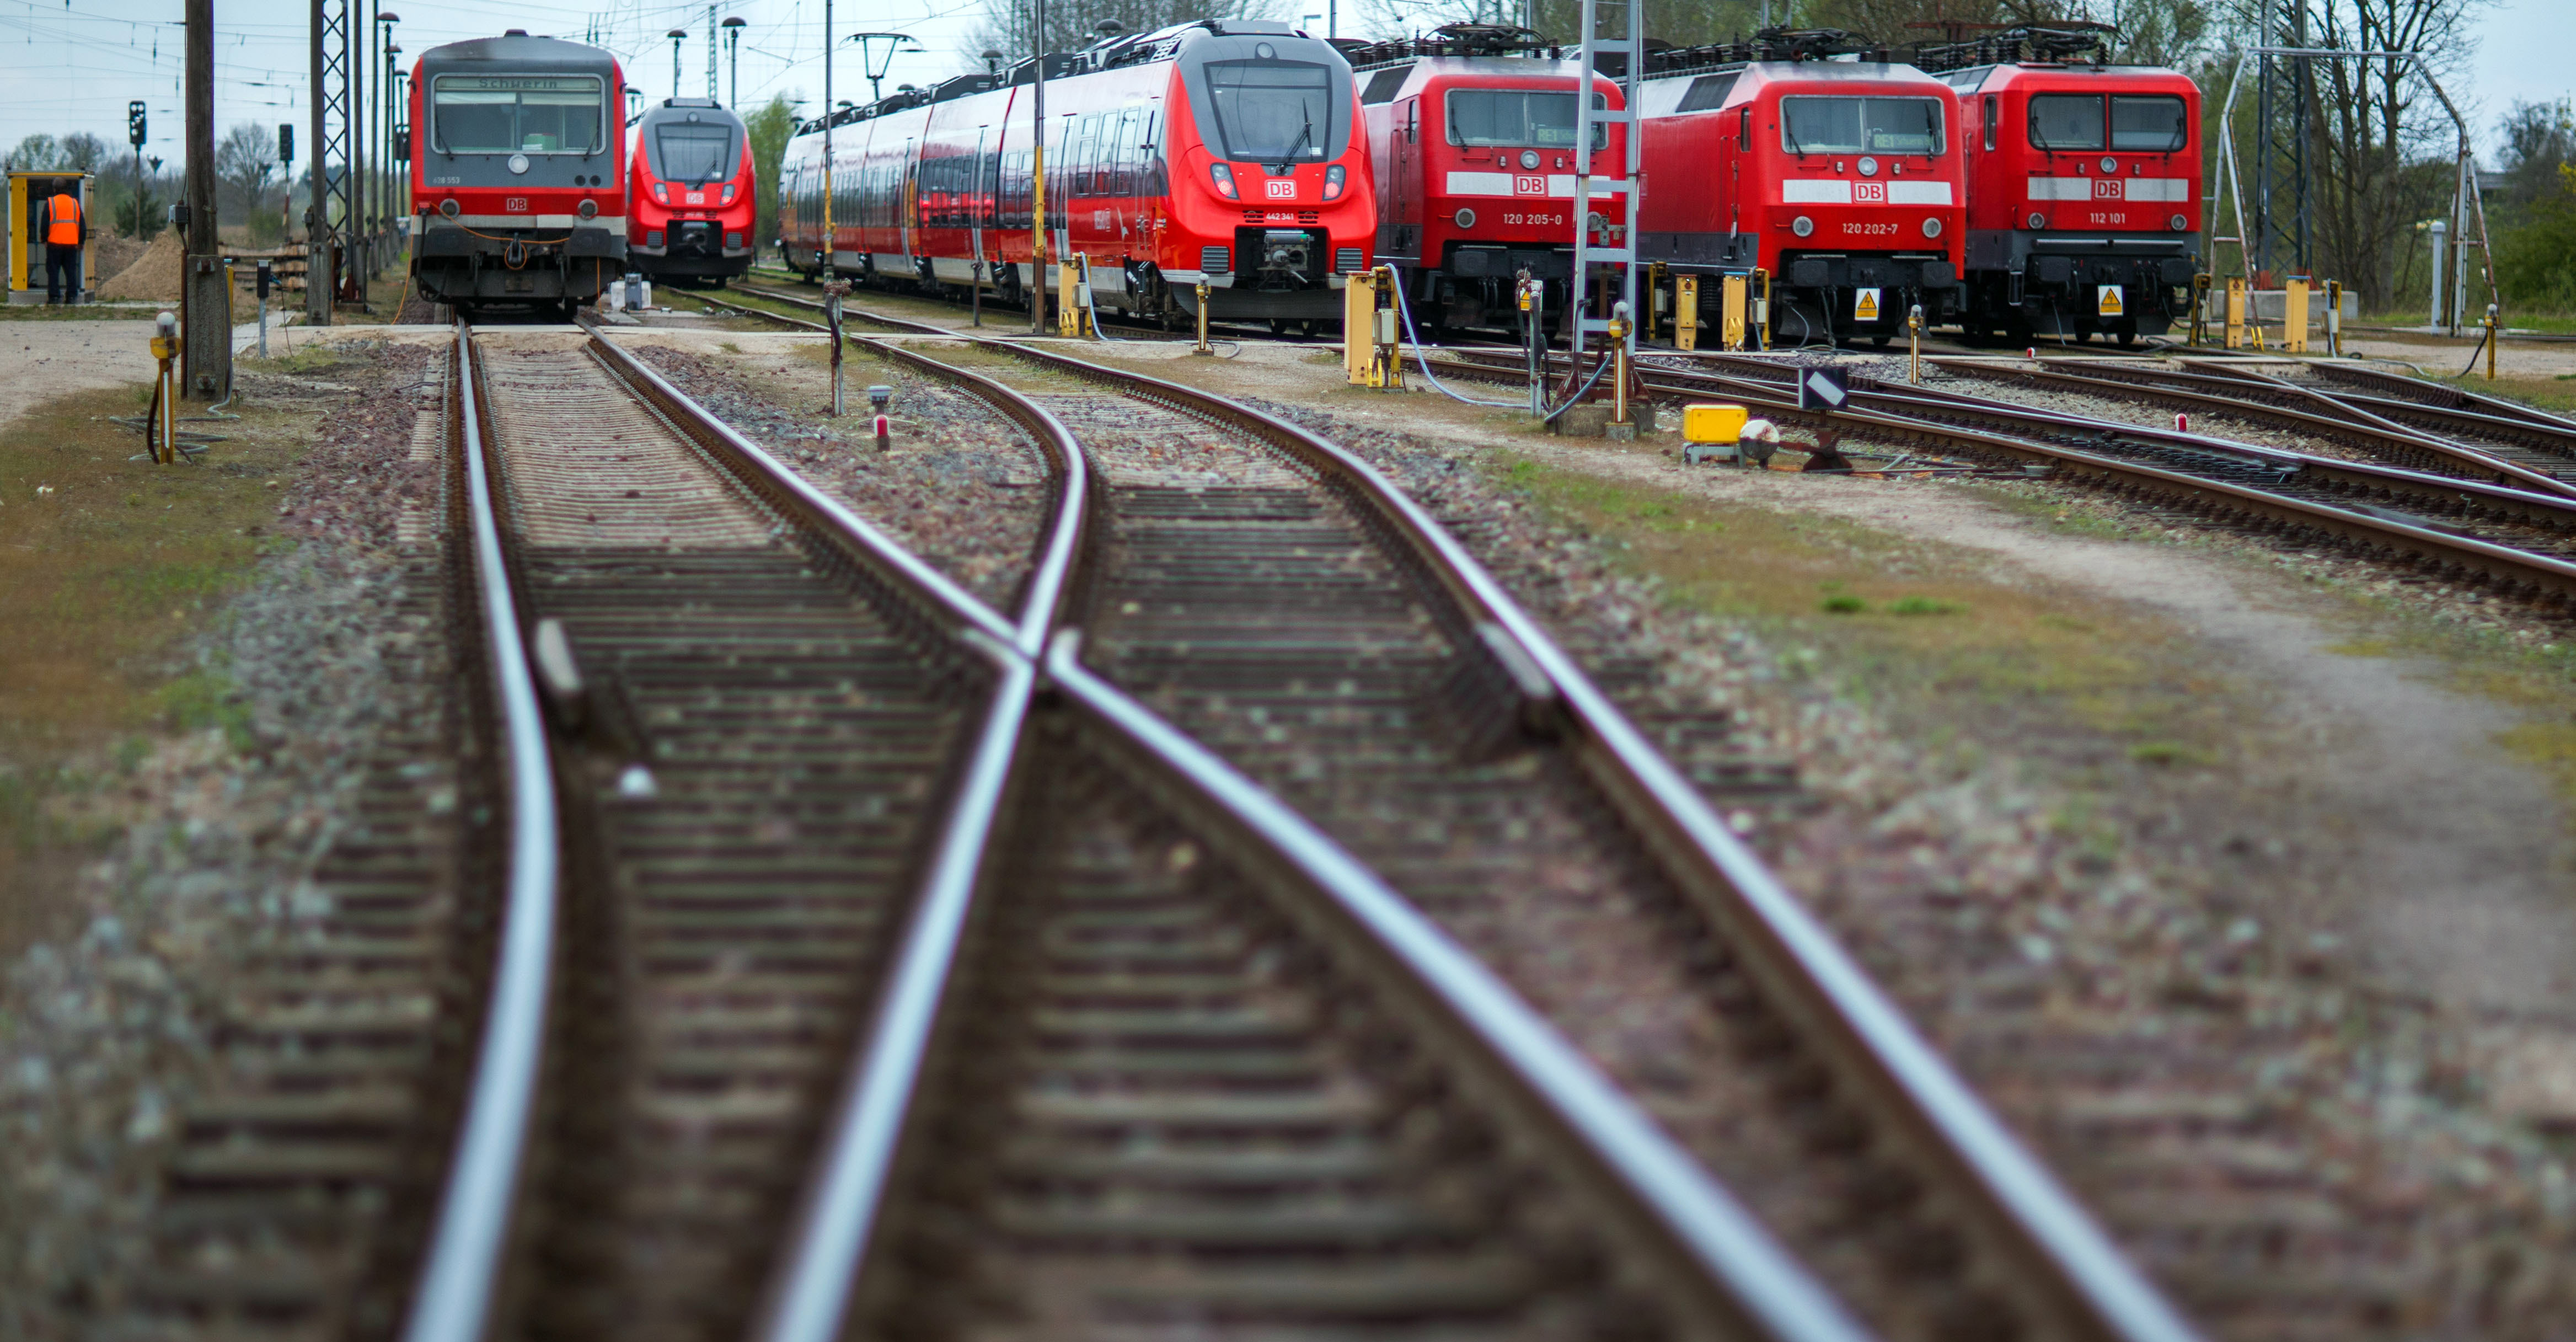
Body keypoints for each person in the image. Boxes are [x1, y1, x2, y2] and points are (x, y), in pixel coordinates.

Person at [41, 186, 83, 305]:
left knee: (53, 271)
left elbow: (45, 223)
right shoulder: (75, 203)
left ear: (54, 189)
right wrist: (81, 241)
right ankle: (71, 297)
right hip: (71, 245)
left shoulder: (50, 203)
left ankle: (54, 297)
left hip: (54, 244)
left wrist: (44, 239)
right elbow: (82, 223)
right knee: (71, 272)